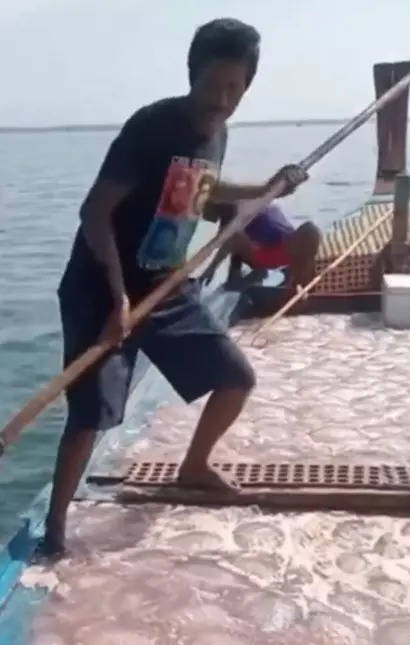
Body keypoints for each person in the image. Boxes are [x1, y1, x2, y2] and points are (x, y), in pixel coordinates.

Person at [43, 18, 308, 558]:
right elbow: (94, 212)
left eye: (235, 88)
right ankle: (54, 523)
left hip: (165, 284)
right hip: (102, 282)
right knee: (91, 413)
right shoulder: (153, 126)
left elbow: (202, 190)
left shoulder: (220, 133)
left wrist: (265, 187)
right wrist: (117, 298)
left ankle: (195, 464)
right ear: (192, 75)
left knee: (236, 378)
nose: (222, 100)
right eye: (213, 85)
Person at [209, 202, 322, 289]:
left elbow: (304, 272)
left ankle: (256, 275)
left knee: (269, 270)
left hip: (260, 225)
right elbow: (233, 238)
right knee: (243, 275)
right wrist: (212, 268)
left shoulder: (300, 255)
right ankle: (239, 275)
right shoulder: (268, 236)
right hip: (246, 224)